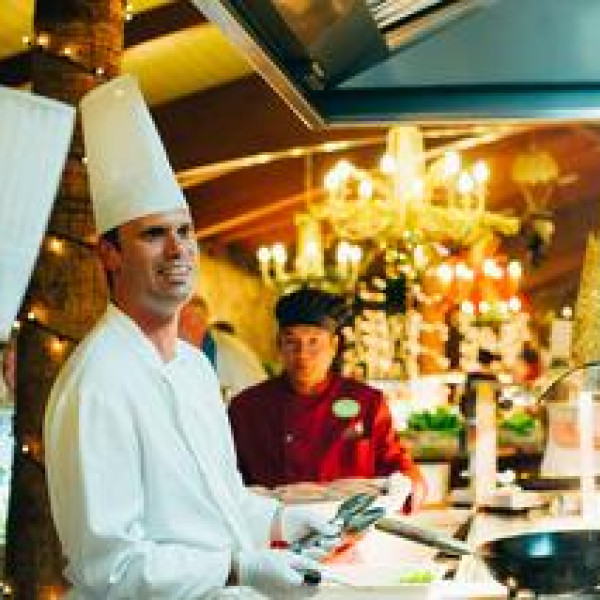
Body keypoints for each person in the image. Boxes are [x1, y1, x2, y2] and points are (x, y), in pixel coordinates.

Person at [44, 75, 337, 599]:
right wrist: (238, 570)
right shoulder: (97, 383)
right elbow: (111, 570)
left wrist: (281, 521)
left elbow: (220, 504)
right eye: (153, 234)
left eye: (185, 231)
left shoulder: (195, 367)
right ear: (109, 255)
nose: (178, 251)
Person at [228, 287, 426, 512]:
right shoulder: (247, 408)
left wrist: (412, 484)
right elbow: (226, 477)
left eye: (313, 342)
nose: (302, 354)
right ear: (279, 345)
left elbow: (396, 464)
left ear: (334, 345)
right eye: (291, 342)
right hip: (274, 527)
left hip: (348, 527)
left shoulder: (367, 402)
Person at [179, 295, 267, 401]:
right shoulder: (181, 352)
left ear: (204, 323)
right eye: (180, 323)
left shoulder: (230, 353)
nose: (185, 331)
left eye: (194, 322)